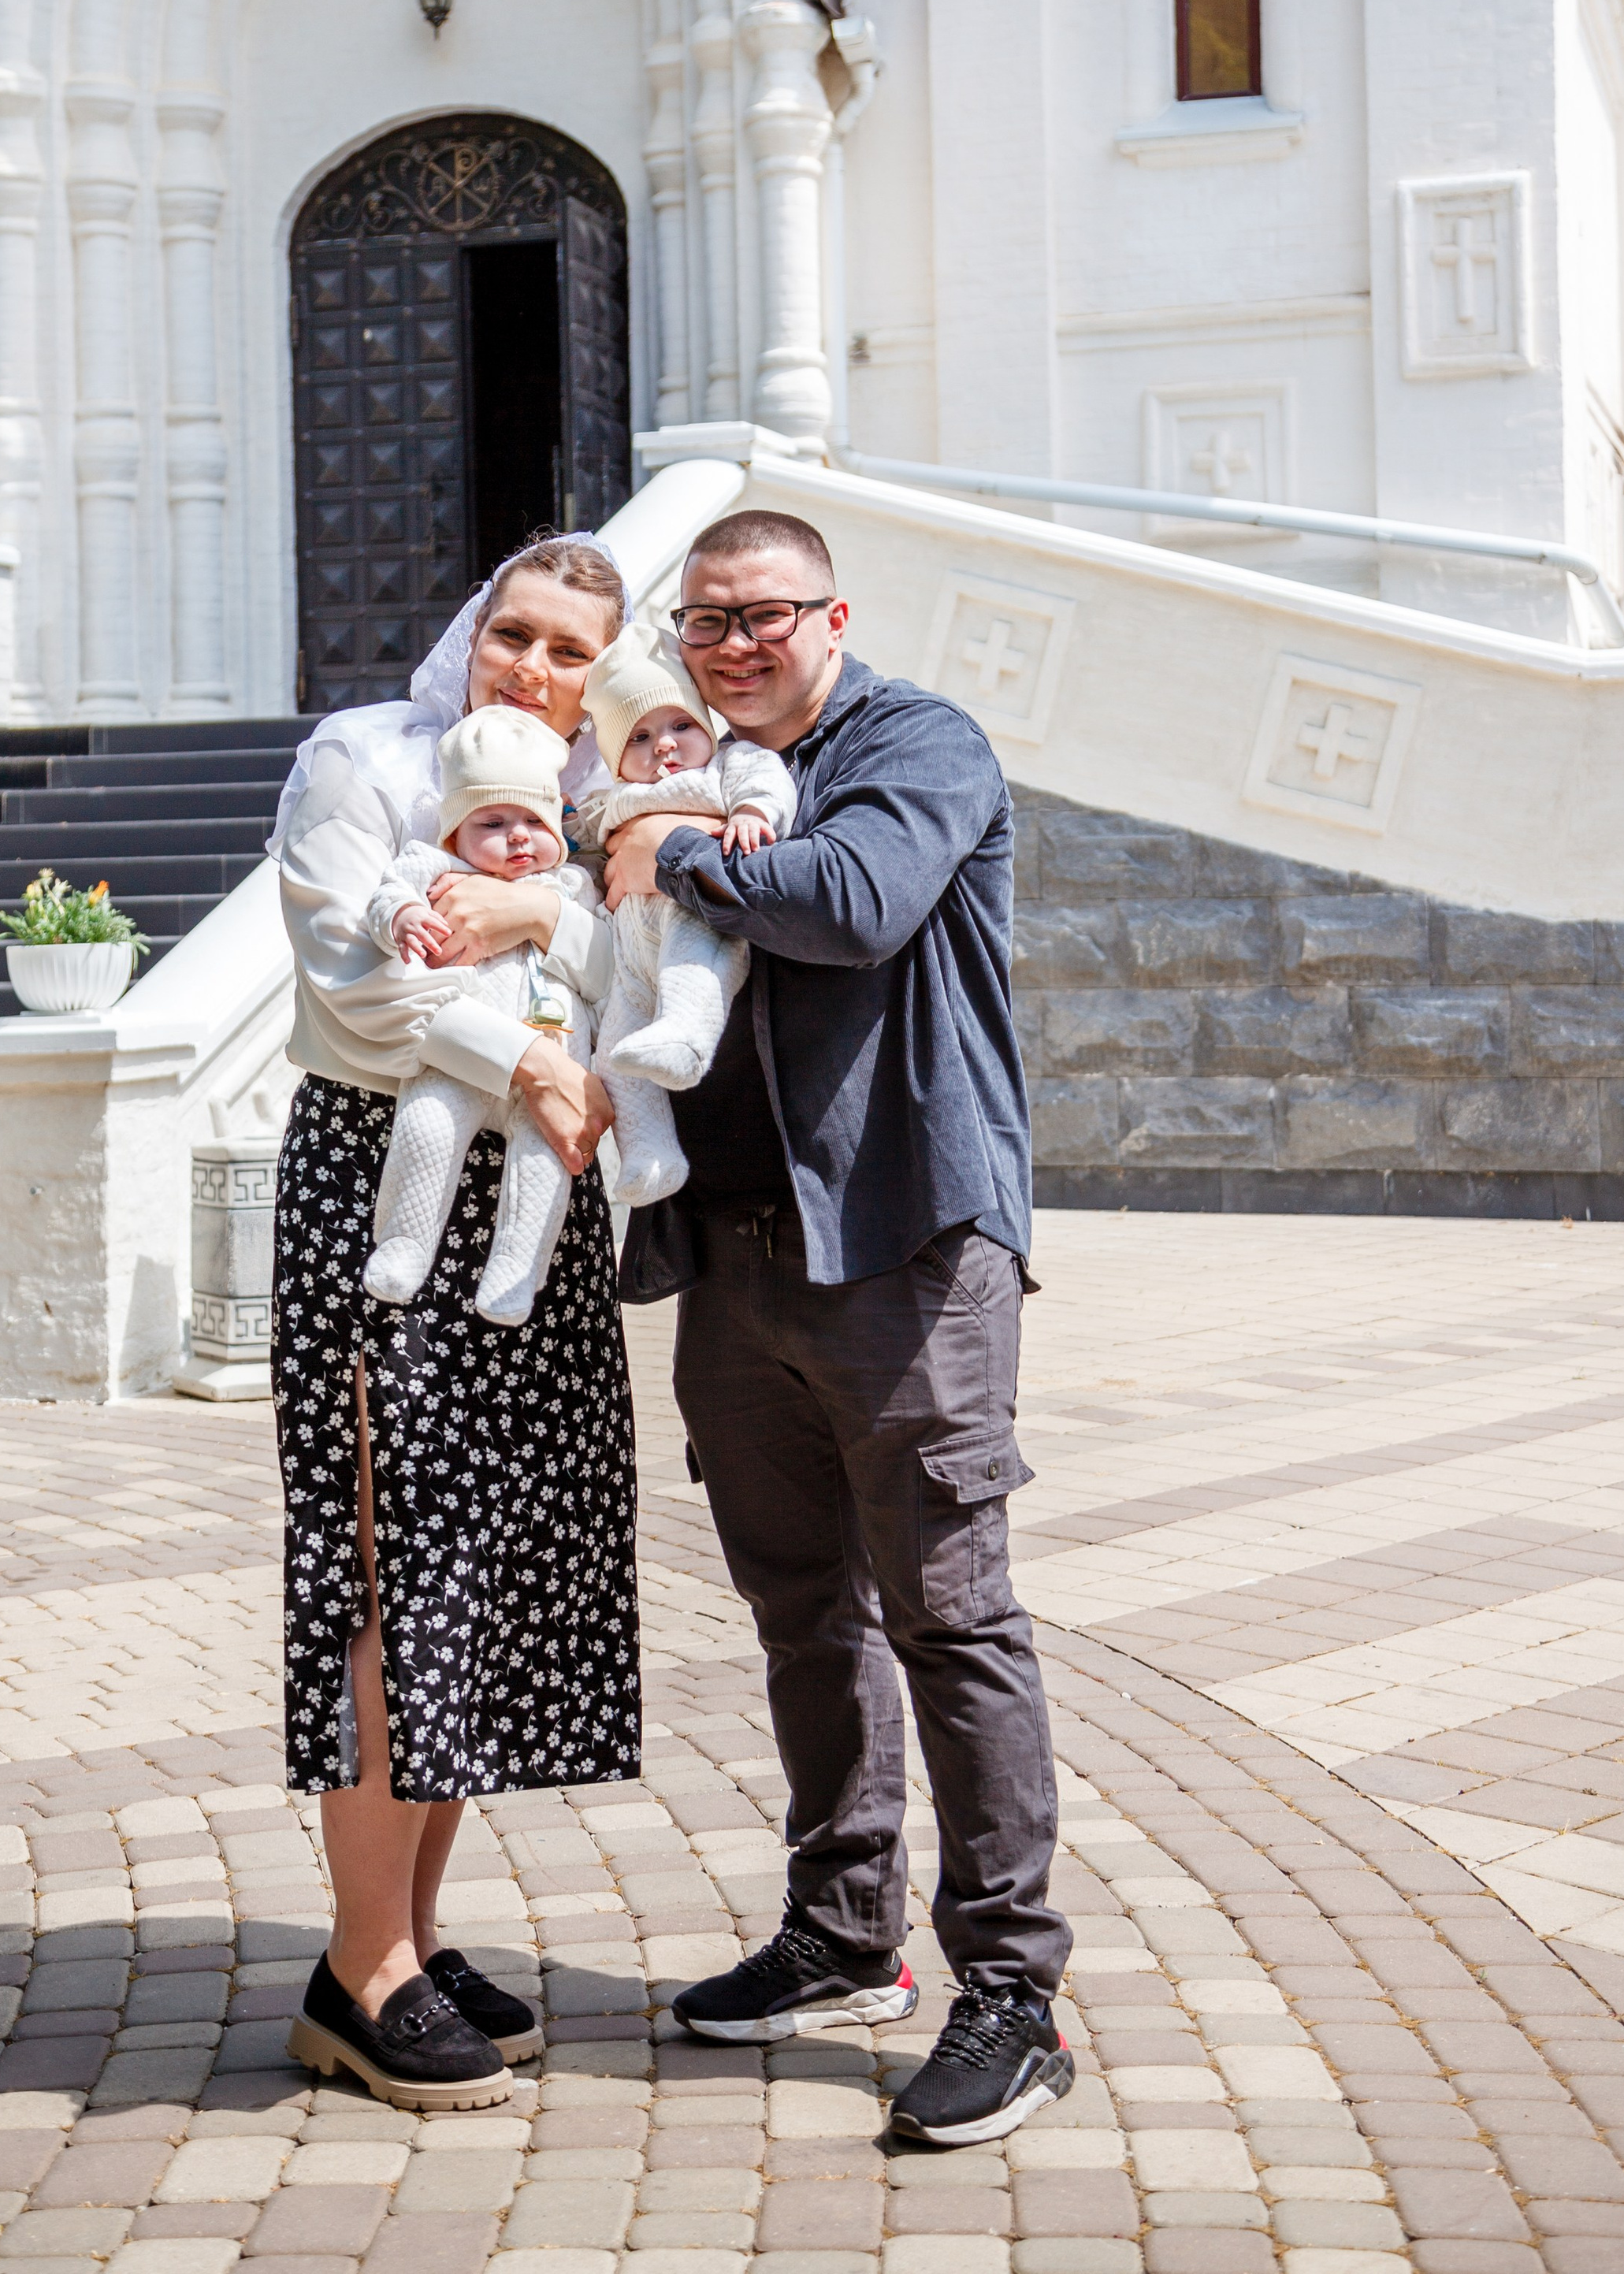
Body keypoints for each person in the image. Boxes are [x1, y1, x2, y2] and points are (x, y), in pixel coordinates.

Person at [603, 507, 1074, 2149]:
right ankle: (840, 1932)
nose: (734, 646)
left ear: (831, 615)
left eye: (765, 616)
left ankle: (1009, 1996)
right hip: (737, 1260)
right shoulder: (690, 763)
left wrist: (660, 852)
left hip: (901, 1247)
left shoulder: (915, 743)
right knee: (801, 1611)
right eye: (705, 623)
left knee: (950, 1611)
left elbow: (856, 900)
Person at [268, 534, 631, 2112]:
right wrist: (537, 1061)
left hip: (531, 1217)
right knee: (388, 1554)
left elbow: (633, 971)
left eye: (571, 655)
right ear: (472, 630)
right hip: (380, 1197)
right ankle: (362, 1970)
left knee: (471, 1566)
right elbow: (356, 988)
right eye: (517, 634)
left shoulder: (597, 803)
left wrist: (543, 930)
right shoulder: (360, 760)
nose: (535, 672)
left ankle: (402, 1935)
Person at [360, 708, 605, 1322]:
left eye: (534, 820)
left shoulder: (572, 887)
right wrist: (401, 917)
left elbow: (610, 968)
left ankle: (516, 1278)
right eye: (492, 822)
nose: (519, 836)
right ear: (454, 835)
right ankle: (403, 1248)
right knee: (425, 1130)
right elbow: (387, 893)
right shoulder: (436, 868)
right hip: (460, 1062)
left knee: (545, 1165)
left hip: (557, 1067)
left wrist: (541, 915)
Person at [574, 620, 796, 1205]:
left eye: (679, 725)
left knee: (693, 964)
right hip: (628, 958)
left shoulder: (725, 768)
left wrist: (751, 812)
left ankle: (688, 1037)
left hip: (693, 916)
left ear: (707, 725)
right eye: (639, 739)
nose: (664, 746)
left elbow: (765, 778)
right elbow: (580, 842)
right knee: (615, 1054)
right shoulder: (610, 801)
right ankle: (650, 1156)